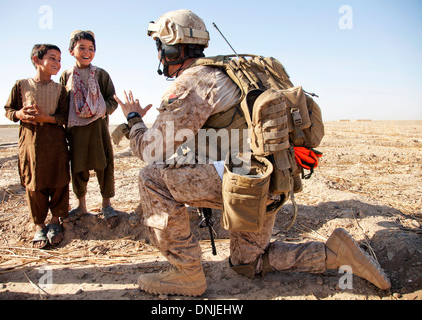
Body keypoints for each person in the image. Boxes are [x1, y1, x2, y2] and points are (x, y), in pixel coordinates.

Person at [114, 9, 391, 296]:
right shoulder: (235, 73)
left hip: (243, 185)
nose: (159, 55)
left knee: (152, 178)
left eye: (160, 47)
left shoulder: (193, 82)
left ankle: (185, 273)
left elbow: (150, 150)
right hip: (271, 181)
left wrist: (133, 120)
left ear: (172, 48)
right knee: (248, 263)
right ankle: (335, 253)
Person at [4, 44, 70, 249]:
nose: (57, 63)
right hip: (31, 143)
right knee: (34, 182)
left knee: (59, 180)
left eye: (59, 59)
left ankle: (55, 221)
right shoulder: (21, 85)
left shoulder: (60, 90)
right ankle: (39, 224)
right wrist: (19, 115)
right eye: (52, 58)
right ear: (37, 60)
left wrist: (46, 118)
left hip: (55, 142)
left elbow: (63, 117)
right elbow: (9, 109)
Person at [60, 30, 119, 229]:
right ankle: (81, 206)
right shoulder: (66, 76)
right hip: (76, 132)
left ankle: (106, 204)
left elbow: (112, 99)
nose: (87, 52)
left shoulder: (101, 74)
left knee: (104, 166)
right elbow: (62, 103)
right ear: (71, 51)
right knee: (78, 168)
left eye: (91, 49)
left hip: (98, 129)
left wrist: (102, 109)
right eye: (82, 48)